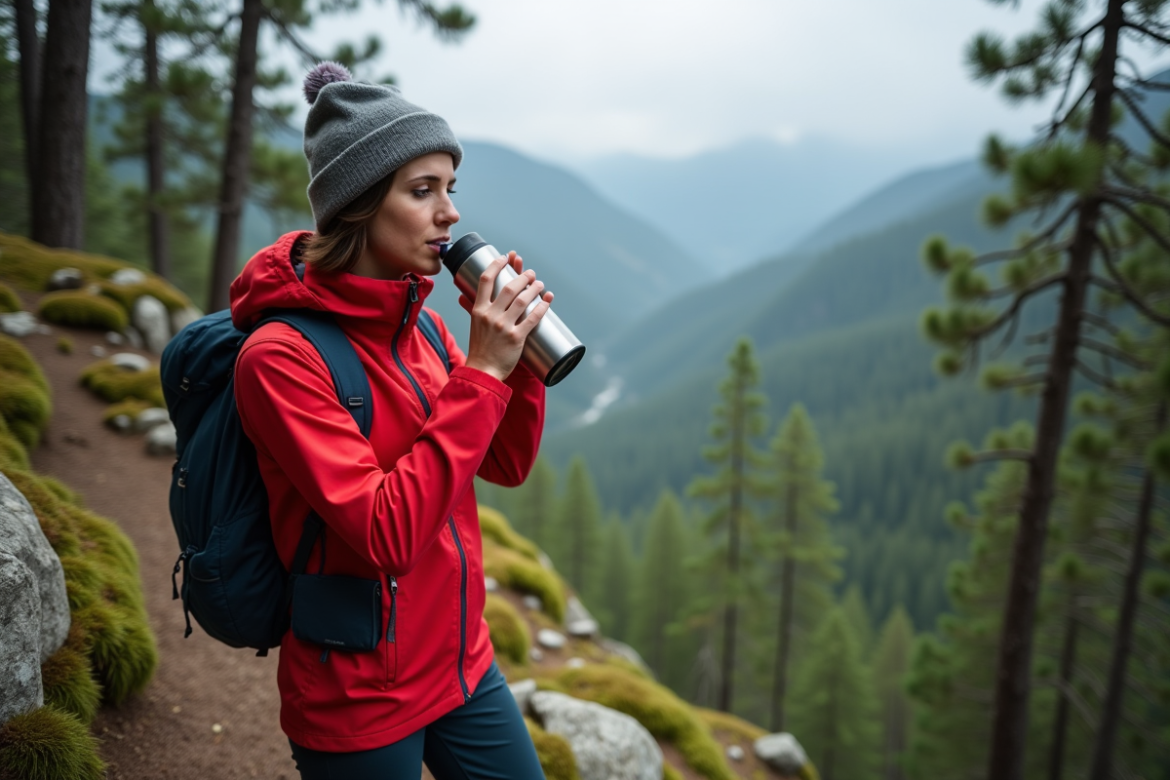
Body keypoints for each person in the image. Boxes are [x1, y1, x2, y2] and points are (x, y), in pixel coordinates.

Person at [229, 62, 550, 780]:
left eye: (451, 188)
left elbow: (505, 464)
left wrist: (518, 360)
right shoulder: (281, 358)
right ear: (361, 205)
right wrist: (484, 372)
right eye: (423, 190)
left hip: (463, 664)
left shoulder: (427, 332)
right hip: (358, 692)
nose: (451, 213)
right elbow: (385, 533)